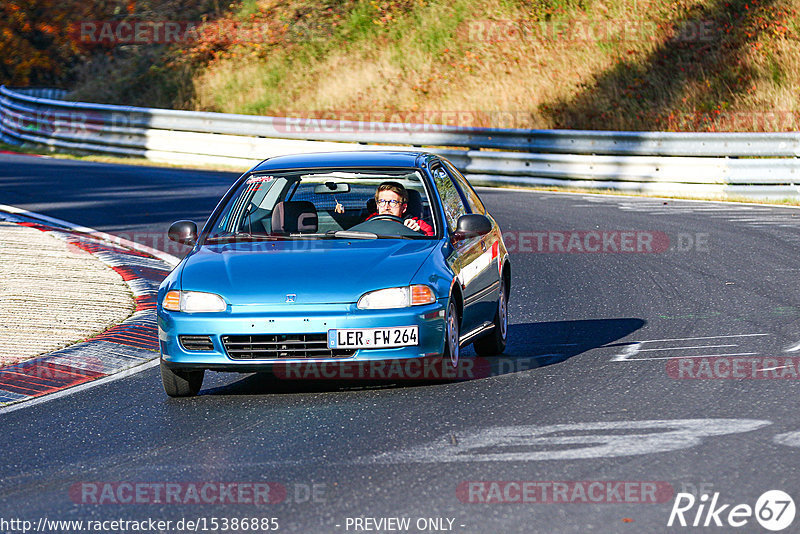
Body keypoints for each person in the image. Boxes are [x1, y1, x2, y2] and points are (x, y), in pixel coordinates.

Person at [366, 181, 434, 236]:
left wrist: (418, 233)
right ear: (377, 205)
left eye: (393, 202)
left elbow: (432, 243)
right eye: (382, 201)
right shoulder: (369, 223)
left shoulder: (418, 226)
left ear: (404, 208)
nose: (386, 207)